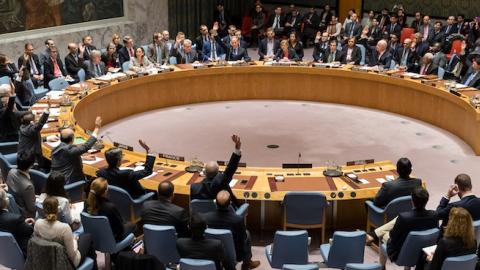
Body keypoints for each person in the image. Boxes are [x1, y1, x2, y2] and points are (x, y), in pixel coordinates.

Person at [368, 188, 438, 267]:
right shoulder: (434, 215)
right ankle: (374, 233)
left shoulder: (404, 218)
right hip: (423, 252)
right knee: (398, 220)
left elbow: (393, 237)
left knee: (382, 235)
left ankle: (381, 266)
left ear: (412, 200)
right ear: (427, 200)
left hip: (401, 253)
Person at [203, 190, 260, 270]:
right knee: (247, 234)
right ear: (230, 203)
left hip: (212, 251)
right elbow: (242, 238)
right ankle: (247, 263)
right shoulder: (237, 220)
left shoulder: (205, 217)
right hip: (234, 252)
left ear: (215, 203)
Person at [34, 197, 94, 268]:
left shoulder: (37, 224)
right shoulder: (64, 228)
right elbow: (72, 255)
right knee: (88, 237)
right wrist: (74, 241)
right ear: (58, 210)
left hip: (48, 261)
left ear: (43, 210)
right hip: (67, 264)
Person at [190, 135, 242, 207]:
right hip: (224, 216)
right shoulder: (222, 183)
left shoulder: (194, 187)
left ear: (204, 173)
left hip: (204, 217)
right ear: (218, 173)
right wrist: (237, 149)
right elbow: (231, 168)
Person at [51, 116, 101, 183]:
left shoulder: (55, 148)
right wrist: (97, 127)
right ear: (72, 138)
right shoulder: (70, 150)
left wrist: (82, 158)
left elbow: (65, 158)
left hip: (55, 180)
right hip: (69, 182)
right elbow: (86, 146)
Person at [86, 177, 135, 242]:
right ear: (105, 192)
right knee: (133, 225)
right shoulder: (110, 207)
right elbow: (120, 230)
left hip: (97, 236)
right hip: (112, 238)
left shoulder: (87, 204)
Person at [0, 188, 34, 256]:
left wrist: (22, 223)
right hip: (21, 254)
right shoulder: (16, 219)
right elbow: (30, 230)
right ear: (6, 201)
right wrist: (25, 224)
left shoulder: (15, 220)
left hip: (3, 253)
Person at [18, 101, 50, 170]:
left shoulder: (22, 127)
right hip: (33, 162)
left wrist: (46, 139)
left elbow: (32, 139)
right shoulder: (31, 130)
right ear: (31, 122)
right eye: (35, 120)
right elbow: (40, 124)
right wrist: (46, 112)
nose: (36, 121)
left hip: (23, 157)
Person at [6, 151, 36, 218]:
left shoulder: (11, 172)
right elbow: (32, 208)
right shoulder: (28, 186)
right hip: (25, 215)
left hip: (12, 207)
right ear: (31, 165)